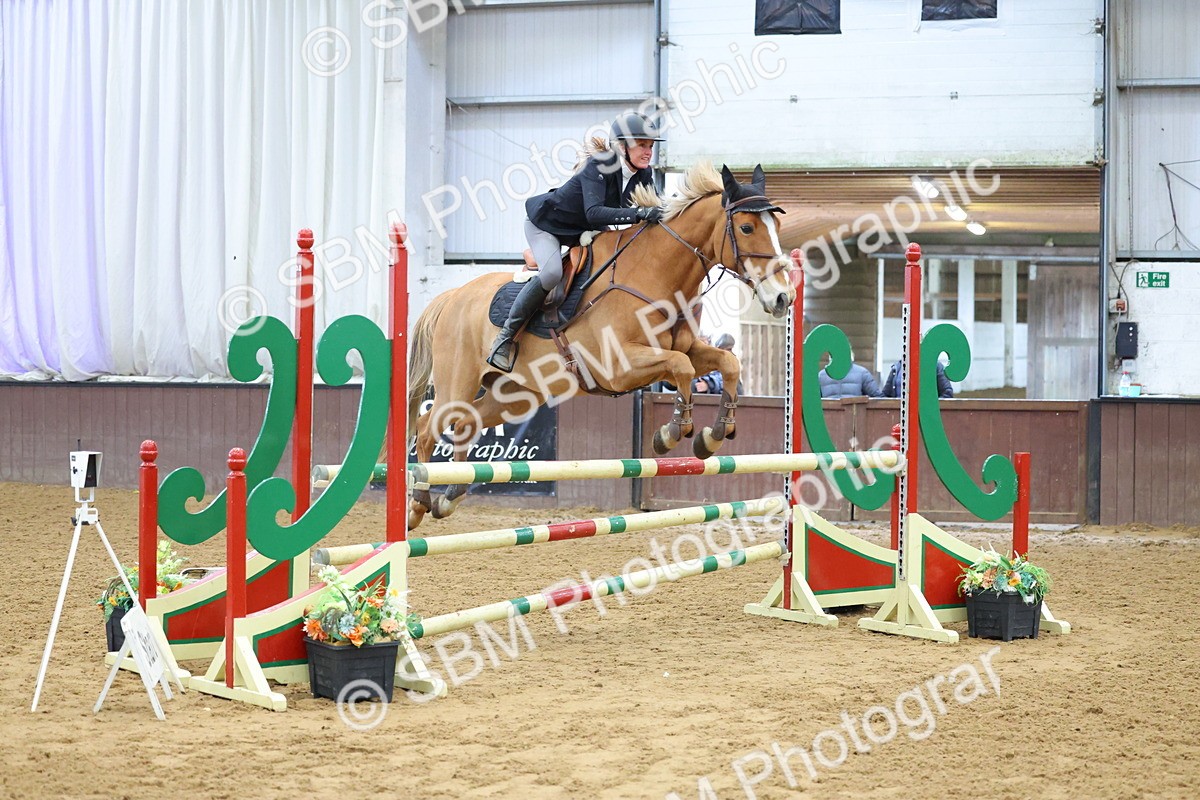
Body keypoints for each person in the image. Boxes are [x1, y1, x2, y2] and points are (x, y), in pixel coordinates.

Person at [486, 112, 665, 373]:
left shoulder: (643, 175)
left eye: (650, 146)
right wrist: (638, 213)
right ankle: (505, 337)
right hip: (548, 225)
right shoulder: (600, 164)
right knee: (551, 273)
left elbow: (651, 209)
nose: (648, 152)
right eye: (642, 144)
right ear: (622, 146)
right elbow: (594, 211)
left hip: (583, 229)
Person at [818, 351, 883, 399]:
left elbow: (878, 399)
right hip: (854, 415)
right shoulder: (862, 373)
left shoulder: (821, 375)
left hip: (829, 416)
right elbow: (878, 398)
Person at [882, 359, 955, 399]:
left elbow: (947, 393)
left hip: (926, 418)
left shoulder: (935, 366)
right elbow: (885, 395)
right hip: (899, 417)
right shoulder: (897, 367)